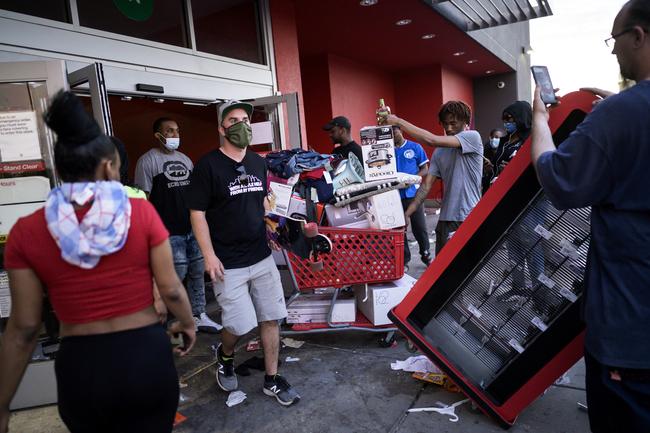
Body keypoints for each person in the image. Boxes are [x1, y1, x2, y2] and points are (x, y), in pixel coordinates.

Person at [0, 91, 196, 433]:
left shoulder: (26, 231)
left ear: (59, 170)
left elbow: (24, 328)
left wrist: (1, 403)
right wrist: (187, 323)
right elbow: (171, 289)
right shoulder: (142, 213)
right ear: (108, 166)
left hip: (82, 367)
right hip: (145, 358)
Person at [531, 1, 650, 431]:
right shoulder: (623, 111)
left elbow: (558, 180)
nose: (614, 52)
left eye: (614, 40)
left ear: (638, 35)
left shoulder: (622, 114)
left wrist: (540, 122)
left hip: (631, 336)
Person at [186, 100, 300, 406]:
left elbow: (261, 201)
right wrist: (208, 255)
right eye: (234, 120)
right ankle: (224, 356)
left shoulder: (257, 162)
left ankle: (272, 379)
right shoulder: (207, 166)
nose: (241, 125)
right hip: (228, 262)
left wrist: (272, 224)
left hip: (260, 256)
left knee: (271, 318)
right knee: (239, 324)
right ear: (222, 128)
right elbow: (197, 213)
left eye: (246, 119)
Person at [135, 118, 222, 333]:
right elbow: (142, 200)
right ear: (158, 135)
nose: (175, 135)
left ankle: (199, 315)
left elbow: (194, 194)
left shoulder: (185, 159)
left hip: (191, 227)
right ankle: (161, 321)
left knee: (196, 272)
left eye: (176, 130)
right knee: (174, 276)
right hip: (167, 231)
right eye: (169, 131)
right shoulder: (147, 161)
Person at [381, 101, 483, 255]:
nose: (448, 129)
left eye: (453, 123)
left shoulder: (472, 137)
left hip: (467, 216)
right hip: (445, 220)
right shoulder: (440, 152)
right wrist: (407, 214)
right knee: (443, 271)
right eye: (445, 124)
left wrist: (398, 122)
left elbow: (431, 140)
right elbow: (425, 186)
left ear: (465, 123)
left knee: (466, 269)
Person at [392, 124, 431, 269]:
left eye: (394, 132)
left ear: (400, 131)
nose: (393, 135)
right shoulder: (387, 151)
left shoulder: (415, 147)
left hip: (413, 195)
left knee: (419, 227)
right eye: (389, 133)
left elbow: (425, 169)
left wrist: (412, 179)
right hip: (394, 196)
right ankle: (405, 260)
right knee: (400, 229)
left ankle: (426, 254)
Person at [482, 101, 533, 193]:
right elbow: (496, 168)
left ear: (521, 118)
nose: (505, 122)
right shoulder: (504, 142)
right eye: (503, 118)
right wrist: (490, 168)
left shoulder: (529, 142)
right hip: (491, 192)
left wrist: (511, 171)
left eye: (508, 118)